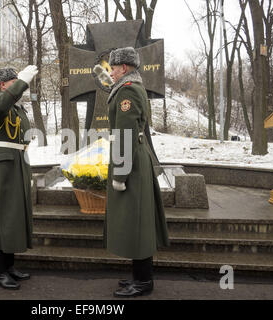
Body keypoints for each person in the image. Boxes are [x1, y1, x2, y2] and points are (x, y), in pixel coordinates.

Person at [105, 47, 170, 298]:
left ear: (123, 68)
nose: (110, 72)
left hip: (130, 164)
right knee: (135, 221)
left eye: (113, 68)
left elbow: (126, 135)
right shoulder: (129, 87)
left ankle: (143, 281)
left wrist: (120, 175)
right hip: (133, 160)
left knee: (138, 222)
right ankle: (139, 276)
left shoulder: (128, 90)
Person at [0, 65, 38, 290]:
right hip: (3, 165)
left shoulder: (17, 109)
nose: (17, 84)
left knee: (14, 215)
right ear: (3, 85)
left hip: (19, 163)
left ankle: (10, 266)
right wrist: (21, 82)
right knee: (1, 215)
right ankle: (0, 270)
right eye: (13, 81)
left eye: (18, 80)